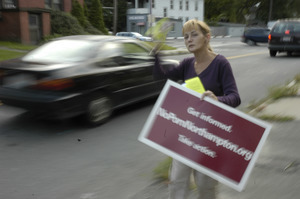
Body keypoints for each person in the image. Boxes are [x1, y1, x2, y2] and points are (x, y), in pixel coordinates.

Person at [153, 19, 241, 199]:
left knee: (205, 186)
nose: (189, 40)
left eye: (194, 35)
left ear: (207, 37)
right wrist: (156, 51)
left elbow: (235, 97)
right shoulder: (186, 64)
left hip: (210, 136)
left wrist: (218, 99)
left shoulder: (220, 63)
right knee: (177, 181)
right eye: (186, 36)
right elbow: (161, 77)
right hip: (186, 132)